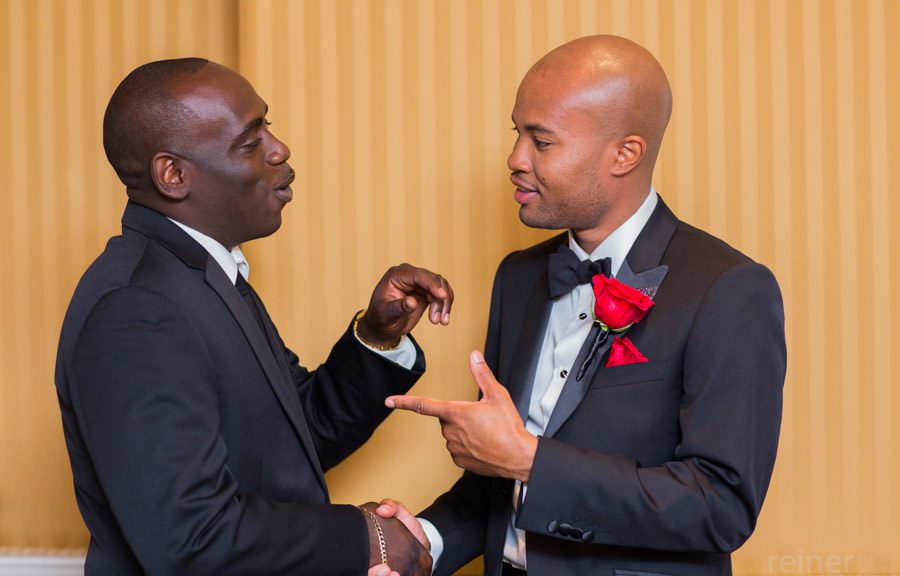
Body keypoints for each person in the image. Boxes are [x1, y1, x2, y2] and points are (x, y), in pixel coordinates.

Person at [380, 35, 786, 576]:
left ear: (625, 154)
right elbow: (498, 479)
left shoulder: (729, 288)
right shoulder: (519, 277)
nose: (515, 159)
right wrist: (423, 544)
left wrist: (532, 460)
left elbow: (720, 506)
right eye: (517, 133)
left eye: (542, 141)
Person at [55, 57, 445, 576]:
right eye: (250, 141)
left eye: (268, 126)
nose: (279, 149)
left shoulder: (202, 277)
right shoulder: (138, 311)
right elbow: (191, 537)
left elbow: (297, 433)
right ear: (173, 175)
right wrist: (365, 537)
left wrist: (376, 336)